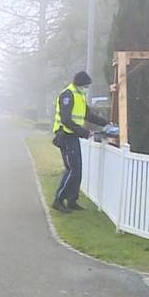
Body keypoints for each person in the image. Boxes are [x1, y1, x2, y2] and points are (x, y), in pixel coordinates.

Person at [51, 70, 108, 213]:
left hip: (72, 136)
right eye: (86, 86)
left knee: (77, 170)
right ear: (80, 84)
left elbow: (88, 115)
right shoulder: (67, 95)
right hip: (65, 135)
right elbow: (65, 119)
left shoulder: (80, 95)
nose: (87, 89)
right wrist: (84, 132)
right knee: (72, 169)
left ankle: (72, 201)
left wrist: (107, 123)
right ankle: (58, 200)